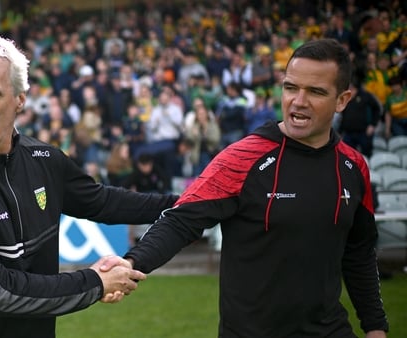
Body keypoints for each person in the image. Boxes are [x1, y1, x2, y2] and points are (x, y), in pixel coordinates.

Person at [0, 33, 177, 338]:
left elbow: (102, 201)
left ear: (20, 99)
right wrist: (96, 282)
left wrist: (182, 203)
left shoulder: (43, 160)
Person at [119, 39, 389, 337]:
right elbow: (182, 219)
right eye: (290, 87)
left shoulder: (353, 166)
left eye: (315, 91)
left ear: (342, 100)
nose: (298, 100)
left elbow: (359, 252)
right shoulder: (242, 158)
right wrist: (131, 262)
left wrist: (375, 326)